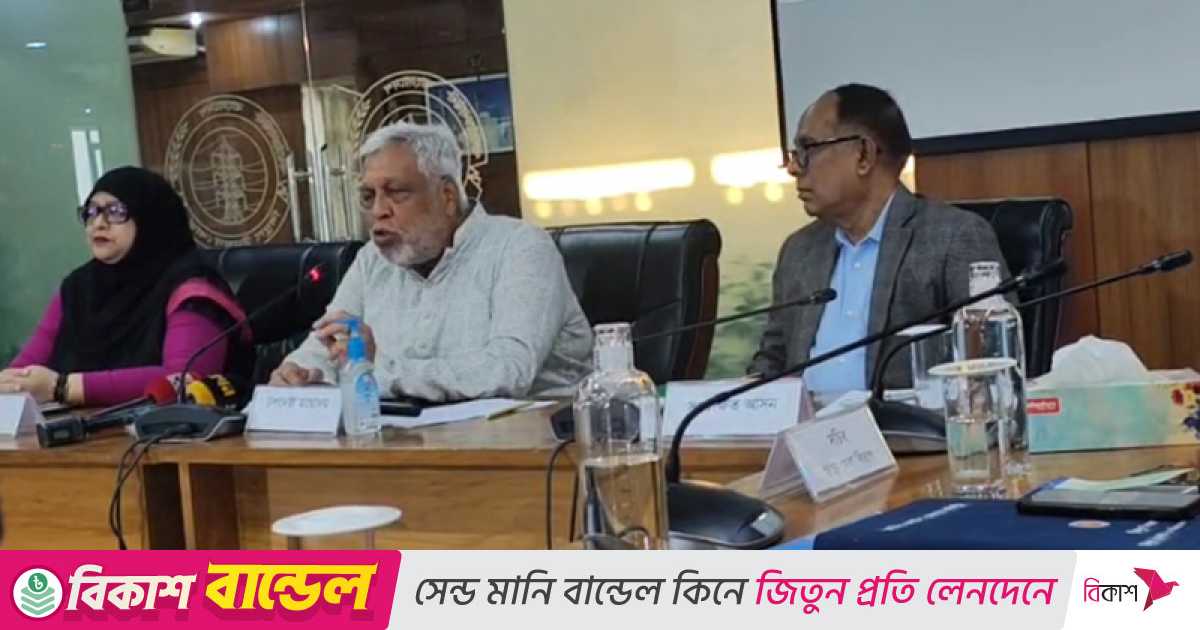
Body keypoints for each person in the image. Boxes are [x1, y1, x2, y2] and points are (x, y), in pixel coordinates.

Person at [269, 121, 592, 401]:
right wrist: (298, 373)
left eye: (396, 192)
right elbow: (326, 346)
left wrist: (378, 367)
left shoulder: (520, 247)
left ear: (447, 197)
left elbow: (508, 370)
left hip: (529, 442)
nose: (378, 211)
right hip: (406, 439)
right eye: (368, 196)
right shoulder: (372, 260)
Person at [749, 84, 1008, 392]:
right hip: (806, 421)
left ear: (864, 155)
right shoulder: (799, 250)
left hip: (903, 422)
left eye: (807, 149)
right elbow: (772, 360)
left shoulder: (953, 237)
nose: (793, 168)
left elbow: (988, 366)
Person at [2, 167, 249, 407]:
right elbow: (22, 371)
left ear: (150, 219)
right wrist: (11, 383)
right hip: (79, 430)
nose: (98, 223)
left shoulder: (194, 289)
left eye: (116, 212)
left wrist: (64, 387)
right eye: (91, 212)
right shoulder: (77, 288)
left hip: (174, 431)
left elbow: (183, 380)